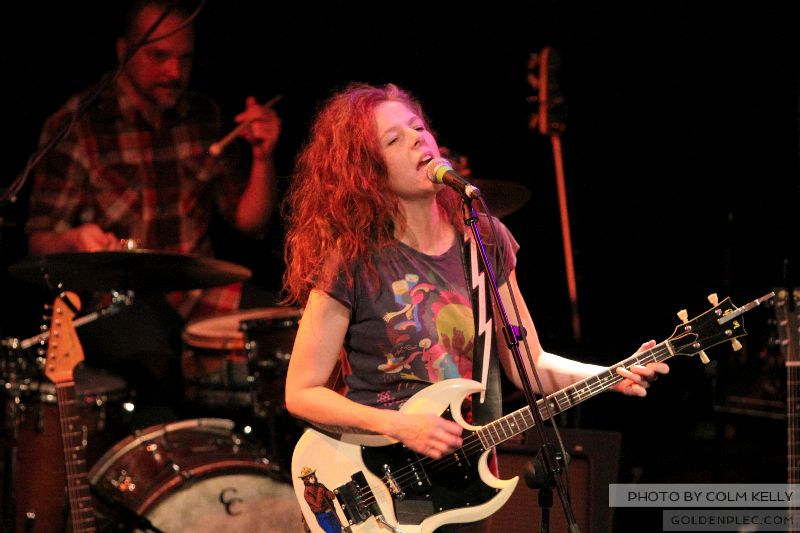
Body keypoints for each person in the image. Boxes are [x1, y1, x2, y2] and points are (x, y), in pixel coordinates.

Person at [282, 83, 669, 530]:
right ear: (367, 173)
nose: (416, 140)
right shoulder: (352, 258)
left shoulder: (482, 239)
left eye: (417, 127)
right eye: (394, 139)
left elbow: (531, 363)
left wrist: (610, 376)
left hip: (459, 480)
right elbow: (301, 392)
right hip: (373, 475)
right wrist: (401, 427)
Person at [24, 0, 281, 424]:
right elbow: (38, 241)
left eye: (184, 59)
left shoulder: (203, 116)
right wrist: (75, 239)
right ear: (124, 50)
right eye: (159, 57)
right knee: (154, 365)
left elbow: (250, 223)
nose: (174, 73)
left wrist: (261, 156)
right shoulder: (77, 124)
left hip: (197, 290)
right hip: (115, 299)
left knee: (287, 336)